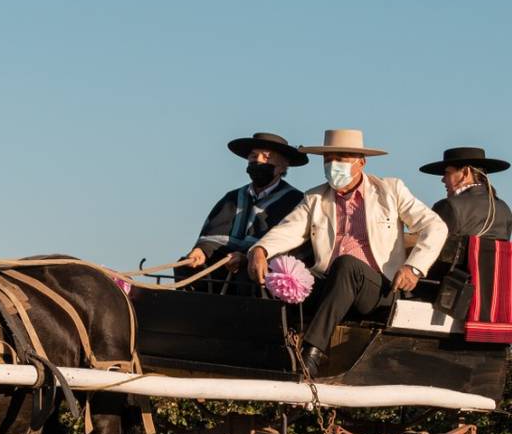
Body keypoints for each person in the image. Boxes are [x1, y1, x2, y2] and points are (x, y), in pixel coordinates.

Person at [248, 129, 447, 377]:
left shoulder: (390, 190)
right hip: (331, 284)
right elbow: (289, 230)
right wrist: (260, 249)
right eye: (328, 160)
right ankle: (268, 348)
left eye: (340, 159)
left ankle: (312, 352)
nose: (333, 166)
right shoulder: (316, 197)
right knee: (283, 273)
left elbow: (435, 226)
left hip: (378, 287)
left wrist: (414, 267)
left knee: (347, 265)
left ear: (360, 163)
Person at [185, 133, 308, 276]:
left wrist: (246, 257)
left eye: (266, 157)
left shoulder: (295, 201)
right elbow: (213, 237)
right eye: (253, 156)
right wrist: (202, 250)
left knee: (250, 274)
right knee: (188, 268)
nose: (258, 161)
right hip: (223, 265)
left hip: (262, 271)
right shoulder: (232, 197)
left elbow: (290, 245)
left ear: (283, 166)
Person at [419, 147, 512, 269]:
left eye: (447, 173)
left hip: (452, 285)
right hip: (497, 285)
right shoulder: (504, 209)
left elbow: (430, 250)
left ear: (466, 173)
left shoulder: (448, 206)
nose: (442, 179)